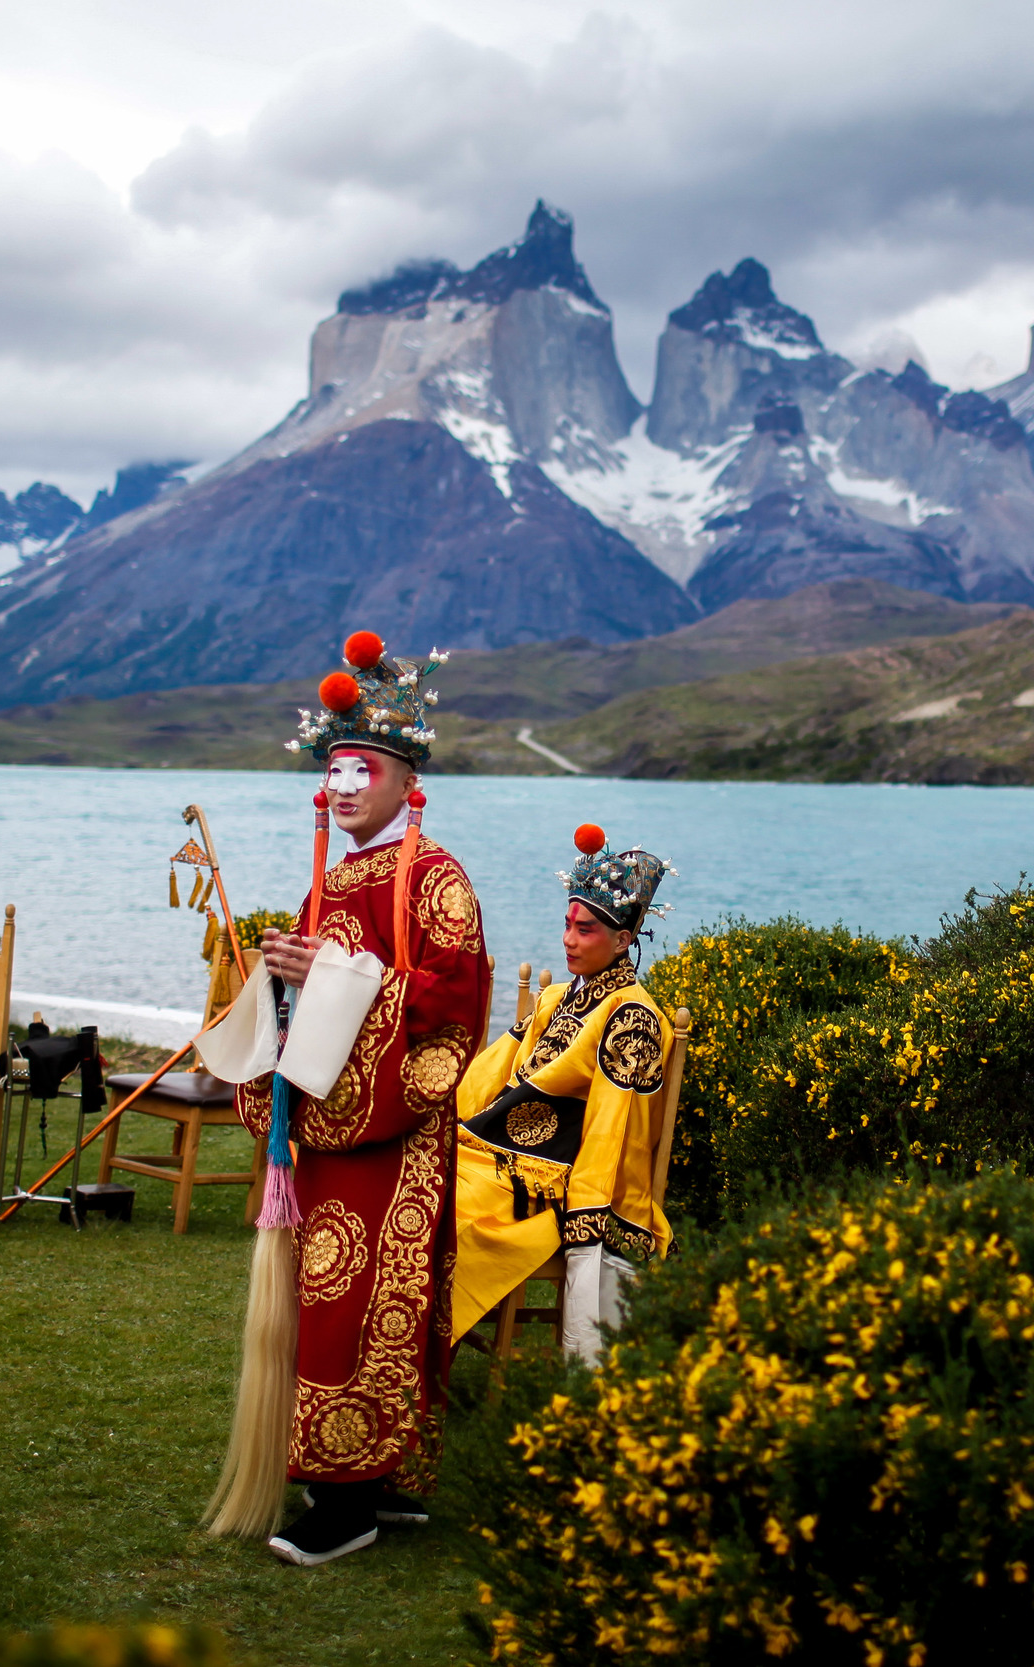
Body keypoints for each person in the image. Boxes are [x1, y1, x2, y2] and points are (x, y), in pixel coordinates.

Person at [242, 630, 492, 1567]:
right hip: (334, 1125)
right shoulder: (335, 877)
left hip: (397, 1132)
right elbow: (326, 996)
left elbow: (451, 1000)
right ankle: (364, 1478)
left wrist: (339, 972)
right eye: (335, 770)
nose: (344, 786)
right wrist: (283, 976)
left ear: (403, 782)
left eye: (364, 769)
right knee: (333, 1294)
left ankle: (347, 1493)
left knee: (358, 1296)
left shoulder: (437, 878)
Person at [449, 824, 676, 1364]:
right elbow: (491, 1073)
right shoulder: (559, 998)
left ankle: (424, 1347)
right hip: (498, 1149)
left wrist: (587, 1216)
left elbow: (613, 1129)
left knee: (446, 1211)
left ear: (623, 940)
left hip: (555, 1179)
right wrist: (437, 1116)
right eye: (567, 925)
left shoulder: (632, 1018)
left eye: (586, 930)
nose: (569, 940)